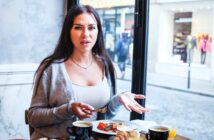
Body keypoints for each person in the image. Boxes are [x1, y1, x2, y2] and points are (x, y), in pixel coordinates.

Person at [28, 5, 148, 140]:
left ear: (98, 31)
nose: (86, 34)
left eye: (91, 27)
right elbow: (33, 117)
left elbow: (104, 117)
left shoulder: (106, 65)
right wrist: (68, 109)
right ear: (68, 31)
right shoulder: (51, 68)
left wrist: (118, 99)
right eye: (78, 27)